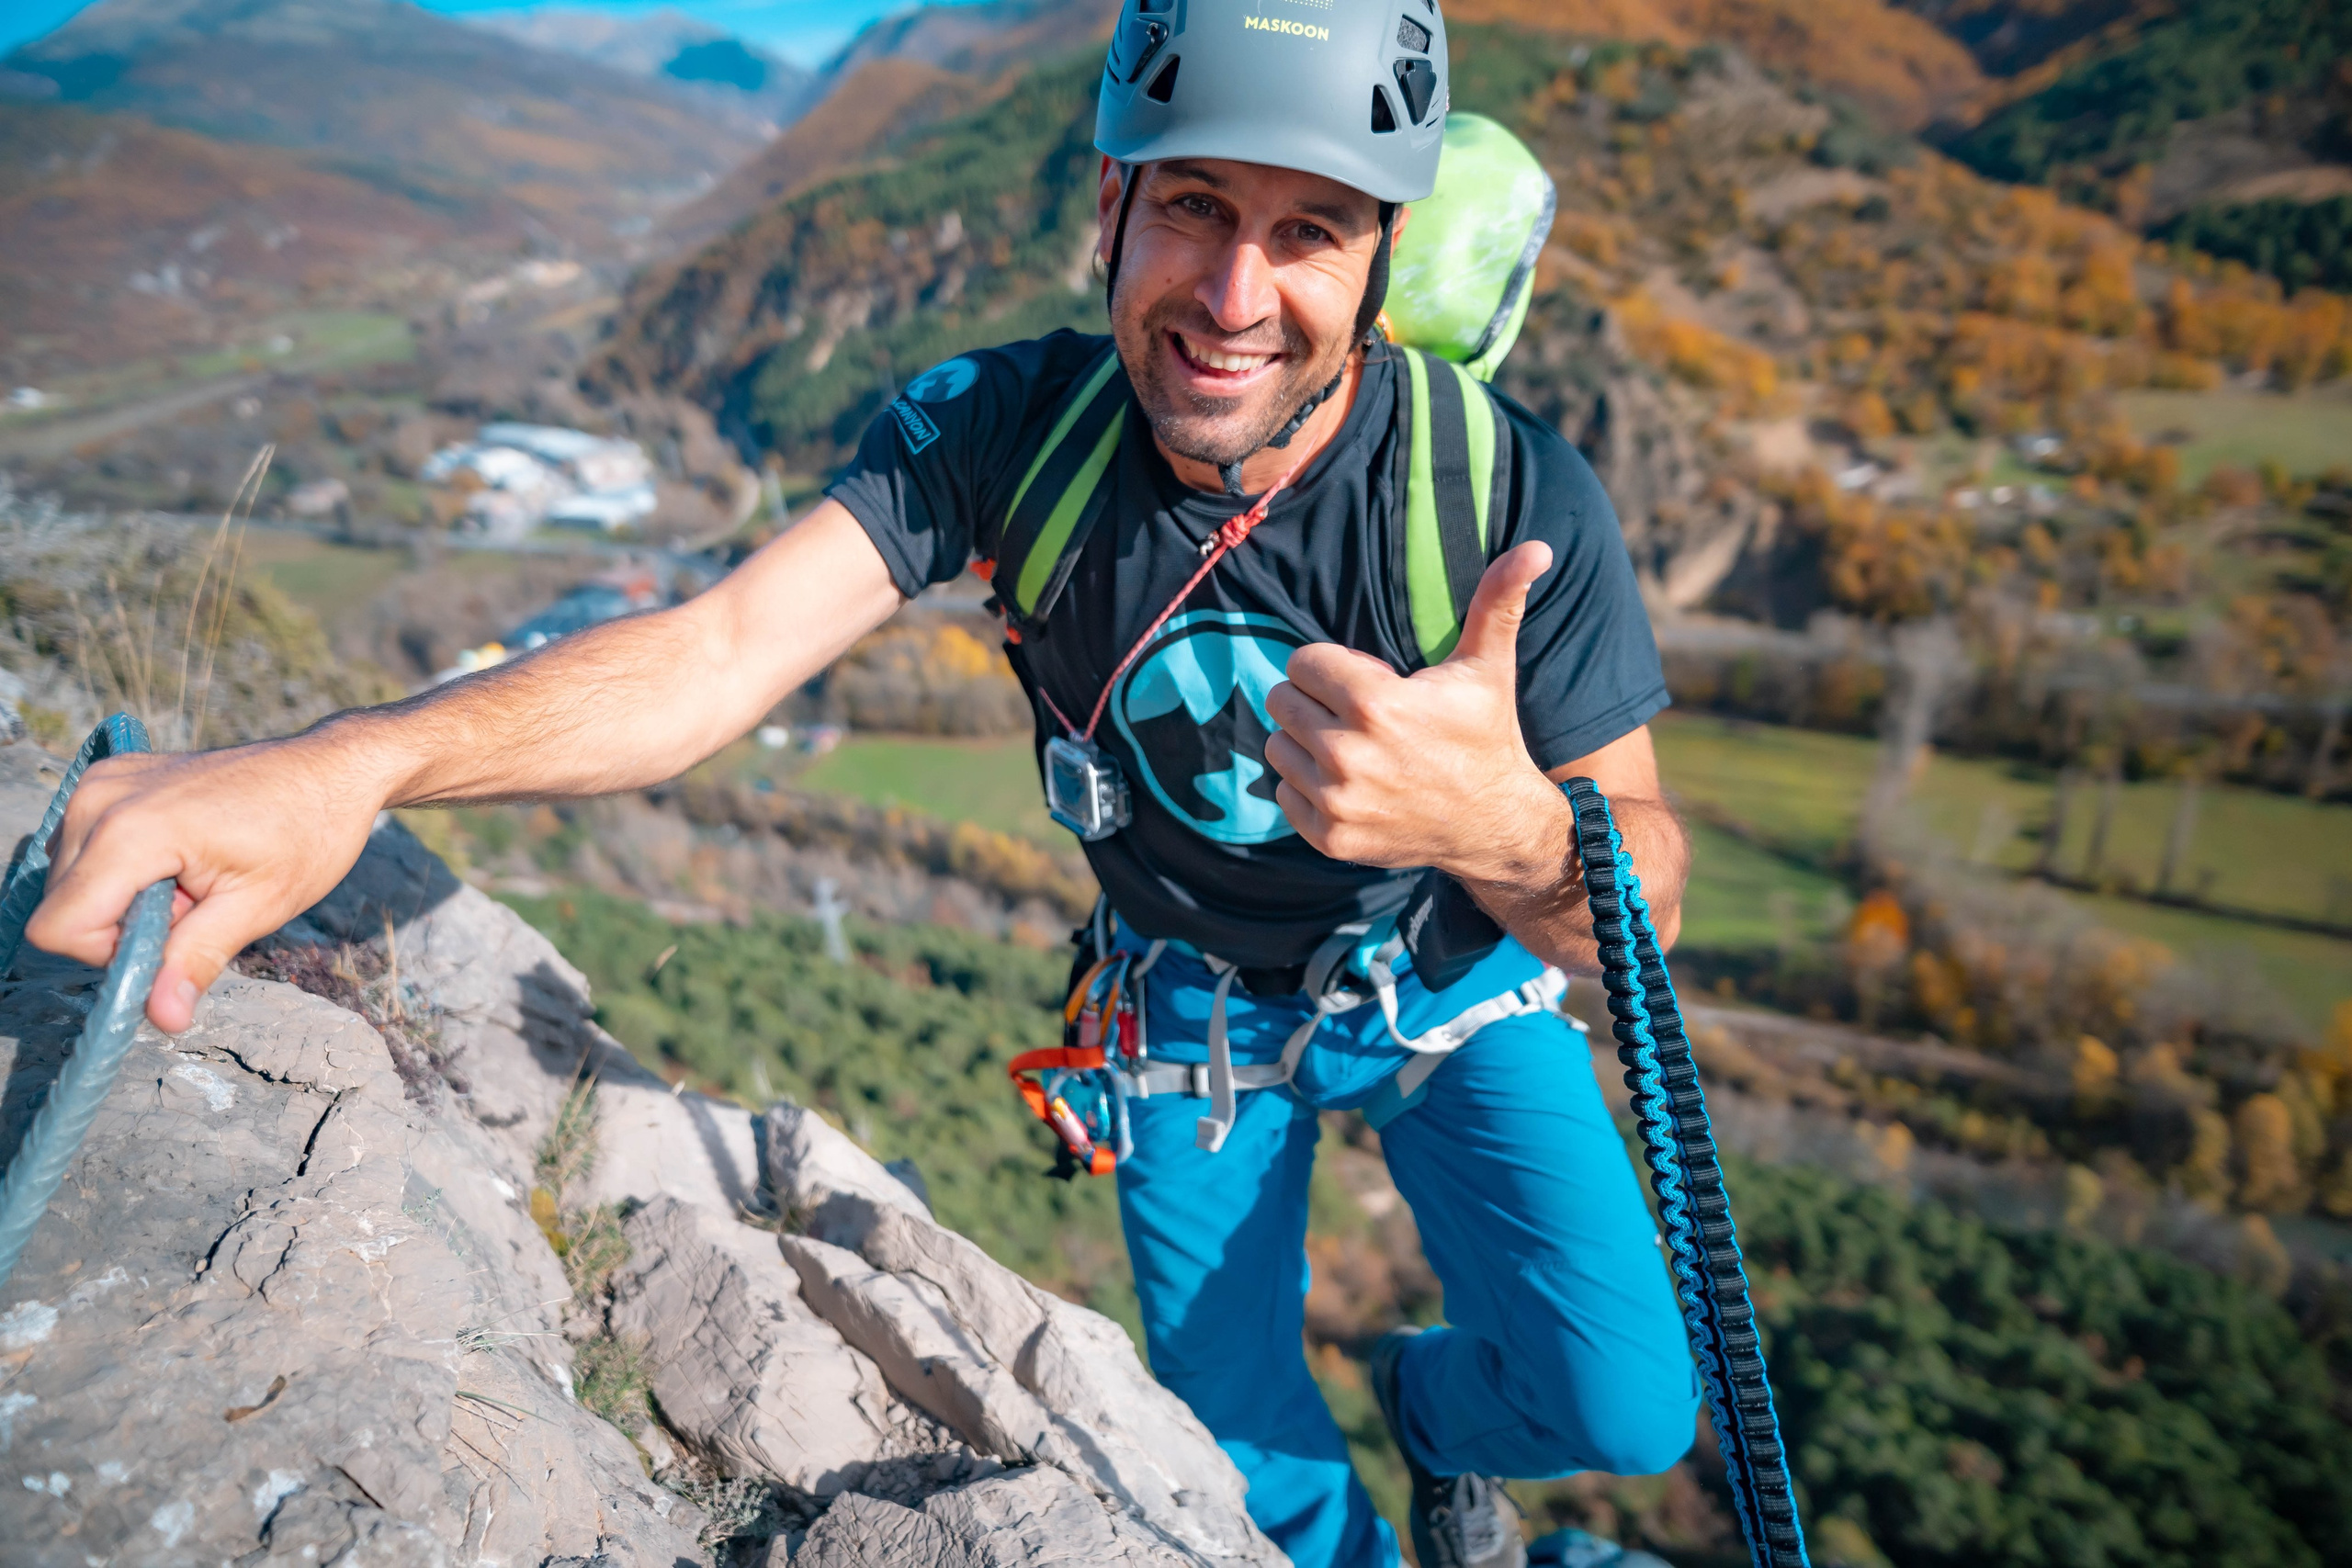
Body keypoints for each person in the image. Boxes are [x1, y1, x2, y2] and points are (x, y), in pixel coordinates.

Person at [28, 2, 1698, 1563]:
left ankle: (1427, 1405)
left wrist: (1498, 823)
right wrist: (350, 765)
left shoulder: (1501, 495)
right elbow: (714, 654)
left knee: (1627, 1403)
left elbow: (1649, 901)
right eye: (1195, 206)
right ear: (1111, 202)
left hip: (1442, 975)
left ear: (1383, 255)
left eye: (1310, 230)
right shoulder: (1002, 431)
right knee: (1259, 1468)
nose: (1236, 293)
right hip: (1190, 1016)